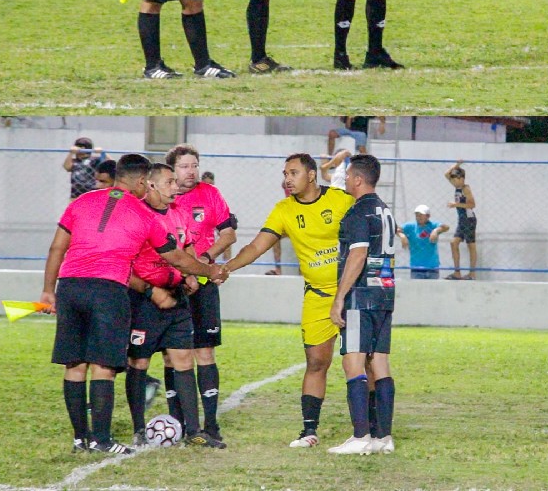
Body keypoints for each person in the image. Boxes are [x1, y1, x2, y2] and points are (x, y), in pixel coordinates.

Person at [40, 153, 227, 455]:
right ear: (142, 181)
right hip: (109, 289)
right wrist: (210, 271)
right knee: (103, 367)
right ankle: (102, 440)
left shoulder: (82, 201)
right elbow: (176, 258)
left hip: (70, 286)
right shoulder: (143, 214)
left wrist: (49, 291)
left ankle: (80, 439)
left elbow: (56, 247)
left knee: (74, 365)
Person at [224, 153, 354, 448]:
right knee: (316, 362)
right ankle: (309, 431)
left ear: (311, 175)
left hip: (353, 293)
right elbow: (256, 246)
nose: (287, 179)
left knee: (362, 361)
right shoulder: (283, 210)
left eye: (293, 173)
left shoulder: (341, 200)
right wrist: (226, 268)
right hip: (318, 296)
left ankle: (372, 428)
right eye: (285, 174)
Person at [126, 163, 226, 449]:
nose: (175, 186)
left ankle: (194, 431)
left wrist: (191, 275)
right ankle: (138, 428)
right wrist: (150, 291)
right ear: (151, 185)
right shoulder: (136, 215)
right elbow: (124, 262)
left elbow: (188, 248)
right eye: (169, 182)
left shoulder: (179, 212)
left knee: (183, 360)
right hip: (145, 301)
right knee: (139, 362)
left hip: (177, 298)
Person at [166, 144, 238, 442]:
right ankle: (177, 423)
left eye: (194, 165)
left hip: (204, 284)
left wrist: (206, 260)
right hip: (172, 283)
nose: (191, 171)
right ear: (172, 170)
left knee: (204, 351)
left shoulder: (210, 194)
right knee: (171, 355)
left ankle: (210, 424)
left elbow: (229, 234)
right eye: (185, 166)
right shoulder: (165, 197)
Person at [328, 154, 396, 455]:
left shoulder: (358, 211)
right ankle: (383, 437)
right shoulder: (384, 209)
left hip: (361, 295)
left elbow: (357, 255)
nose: (344, 180)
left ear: (357, 179)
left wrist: (340, 297)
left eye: (347, 175)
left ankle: (360, 437)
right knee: (379, 362)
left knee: (352, 361)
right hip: (384, 293)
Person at [444, 161, 477, 280]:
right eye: (452, 180)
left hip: (469, 219)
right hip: (462, 219)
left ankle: (472, 274)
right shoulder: (457, 187)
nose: (453, 182)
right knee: (453, 243)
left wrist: (456, 204)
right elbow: (446, 174)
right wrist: (456, 165)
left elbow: (472, 204)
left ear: (462, 179)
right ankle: (457, 272)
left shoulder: (465, 189)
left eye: (455, 180)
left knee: (471, 245)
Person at [397, 204, 449, 279]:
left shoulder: (433, 225)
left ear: (428, 216)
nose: (418, 217)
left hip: (432, 267)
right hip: (416, 268)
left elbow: (446, 227)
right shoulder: (410, 226)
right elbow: (396, 229)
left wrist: (436, 231)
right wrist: (402, 236)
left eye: (421, 215)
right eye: (417, 215)